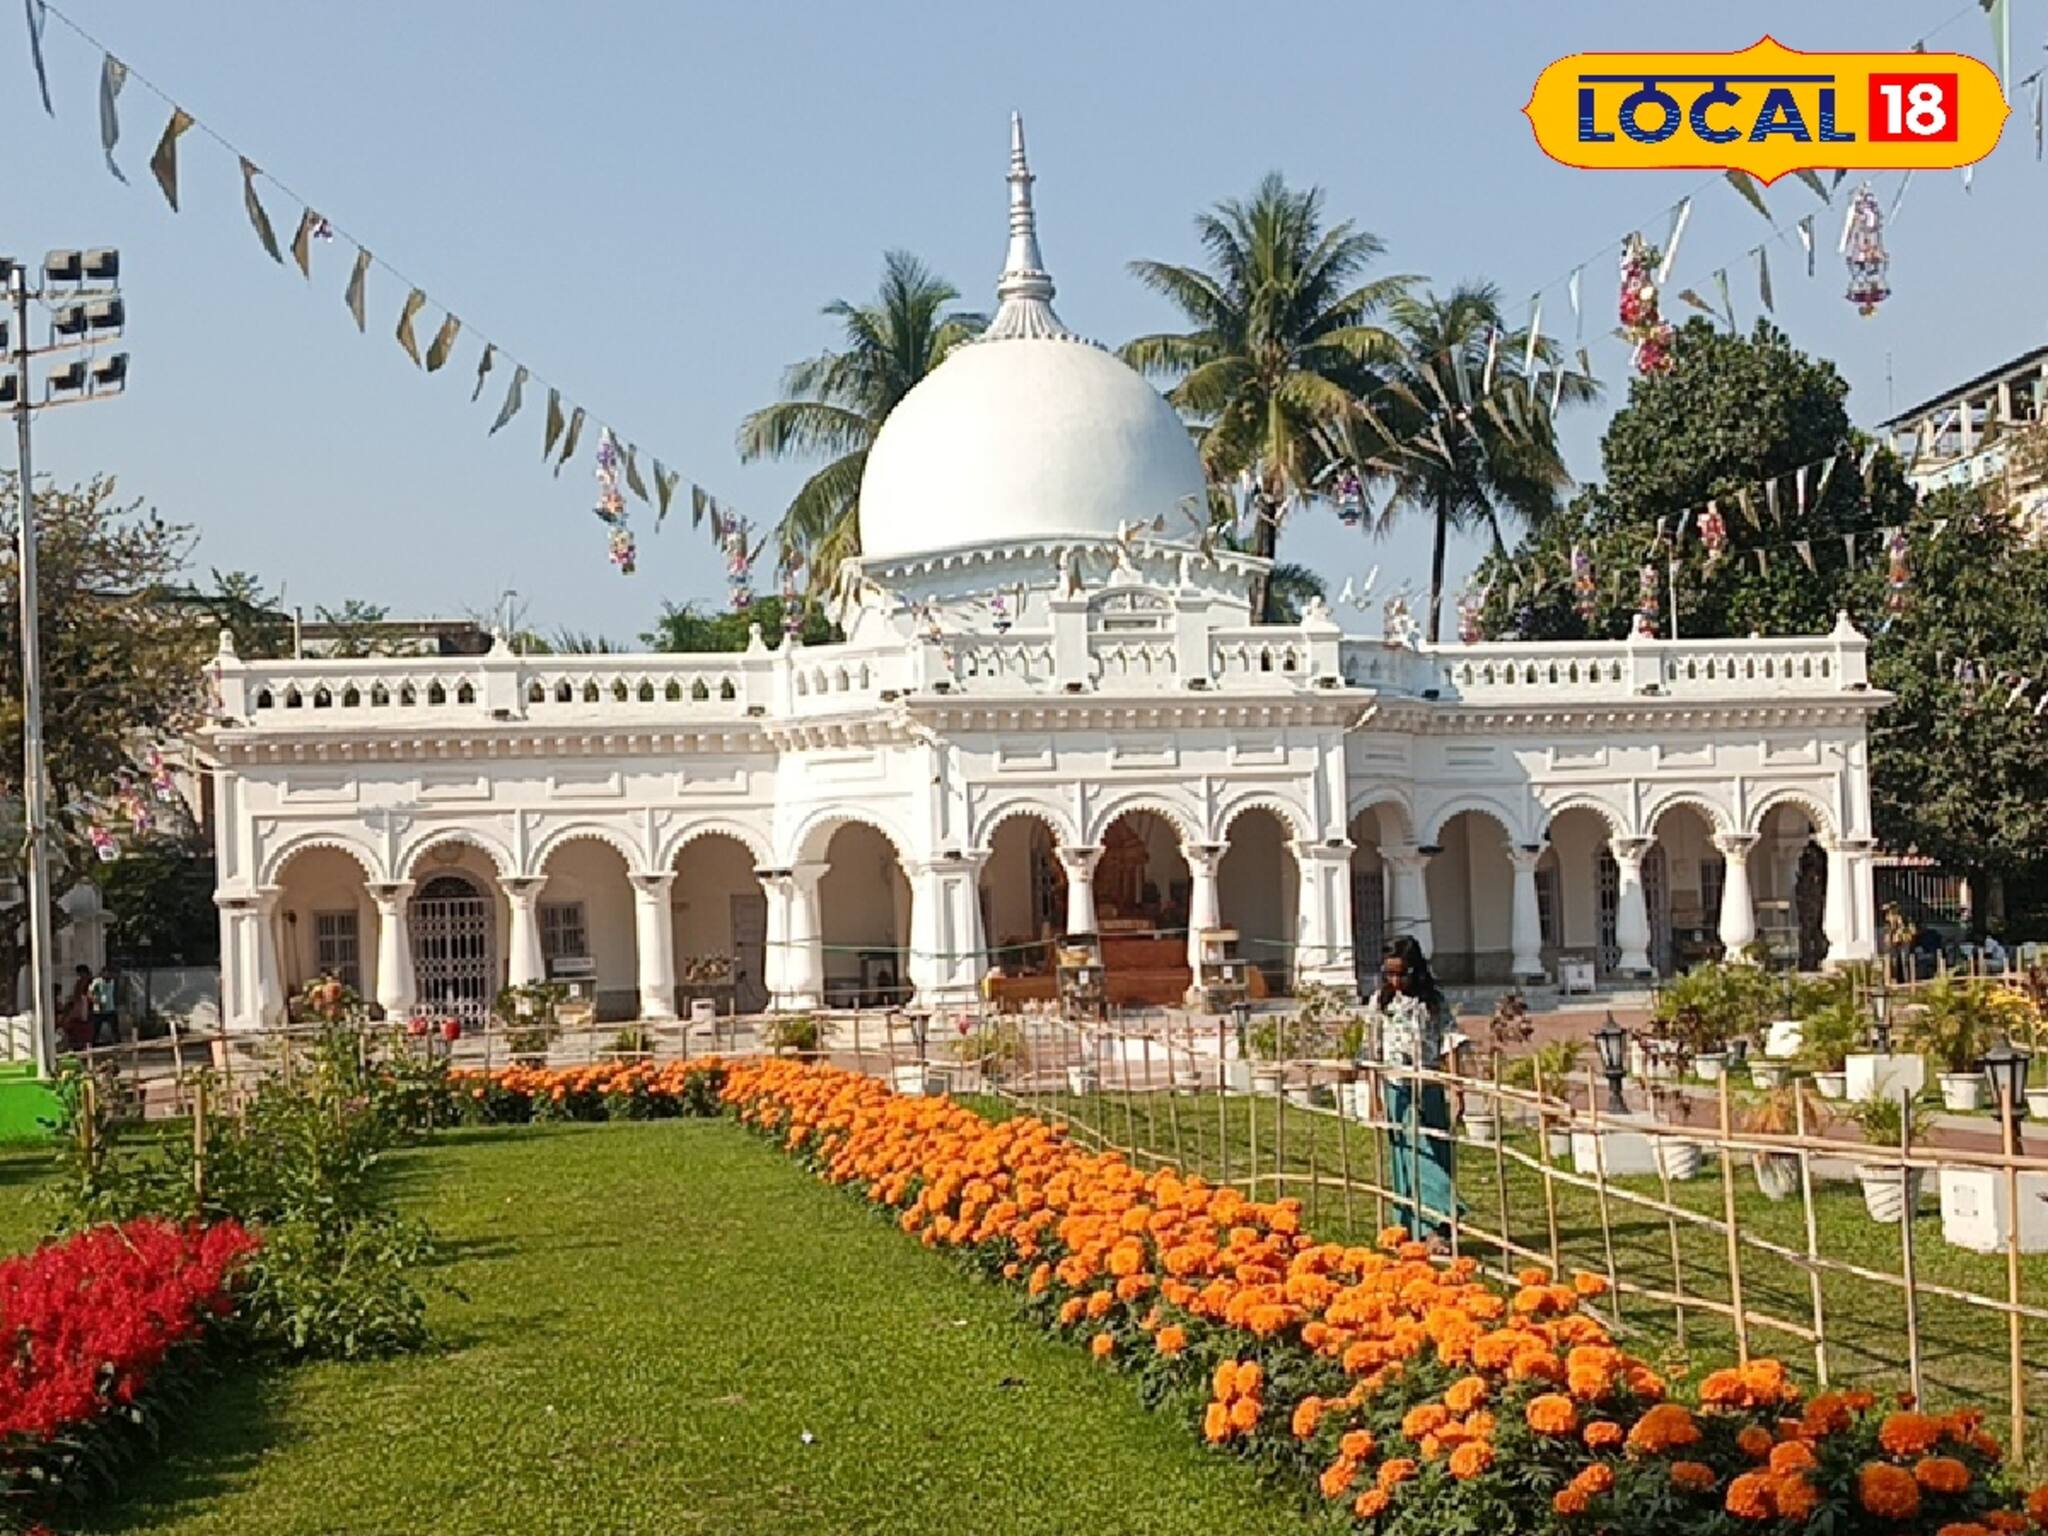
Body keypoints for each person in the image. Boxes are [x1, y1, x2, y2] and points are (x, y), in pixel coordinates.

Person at [1359, 936, 1462, 1250]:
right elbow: (1371, 1050)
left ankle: (1440, 1224)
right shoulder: (1381, 1002)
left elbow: (1449, 1042)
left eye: (1401, 974)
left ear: (1415, 971)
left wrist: (1456, 1088)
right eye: (1388, 974)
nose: (1395, 980)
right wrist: (1375, 1096)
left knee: (1433, 1150)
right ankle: (1415, 1226)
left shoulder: (1432, 1002)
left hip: (1428, 1084)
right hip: (1397, 1088)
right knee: (1408, 1152)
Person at [62, 964, 94, 1053]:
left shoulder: (87, 982)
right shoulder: (82, 981)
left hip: (82, 1005)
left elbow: (84, 994)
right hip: (80, 1005)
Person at [88, 966, 119, 1047]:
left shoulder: (113, 981)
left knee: (114, 1028)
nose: (108, 975)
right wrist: (95, 1000)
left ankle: (117, 1045)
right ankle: (93, 1045)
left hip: (111, 1009)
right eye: (106, 973)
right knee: (96, 1029)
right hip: (99, 1010)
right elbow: (90, 993)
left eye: (109, 973)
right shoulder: (96, 981)